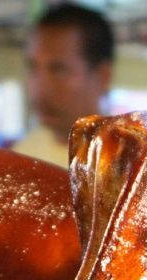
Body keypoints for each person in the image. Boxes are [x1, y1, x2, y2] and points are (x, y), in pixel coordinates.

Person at [11, 2, 114, 166]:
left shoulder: (126, 165)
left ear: (103, 77)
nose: (40, 87)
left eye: (59, 70)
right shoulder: (23, 153)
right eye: (33, 68)